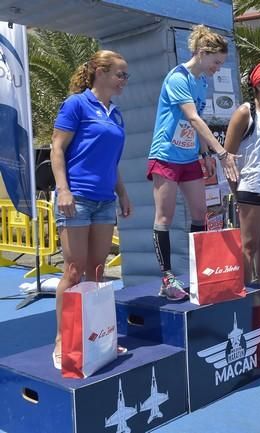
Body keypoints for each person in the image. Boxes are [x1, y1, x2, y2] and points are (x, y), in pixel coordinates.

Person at [51, 50, 132, 369]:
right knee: (73, 271)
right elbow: (58, 148)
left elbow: (112, 162)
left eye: (126, 76)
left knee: (96, 271)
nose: (125, 81)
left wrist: (122, 194)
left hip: (104, 201)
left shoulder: (116, 113)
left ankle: (96, 337)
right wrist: (64, 190)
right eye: (120, 75)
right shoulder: (76, 104)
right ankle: (63, 340)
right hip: (78, 199)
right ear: (100, 71)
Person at [148, 25, 238, 300]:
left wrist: (205, 155)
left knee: (200, 214)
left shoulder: (201, 82)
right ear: (201, 53)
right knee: (165, 216)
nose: (217, 68)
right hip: (165, 155)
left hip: (188, 158)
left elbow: (198, 121)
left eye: (222, 64)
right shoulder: (178, 78)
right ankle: (167, 278)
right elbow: (194, 118)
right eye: (216, 62)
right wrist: (221, 152)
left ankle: (200, 271)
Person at [223, 61, 260, 284]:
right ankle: (247, 298)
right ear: (258, 85)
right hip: (252, 186)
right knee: (249, 246)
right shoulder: (245, 112)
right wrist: (236, 191)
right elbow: (227, 156)